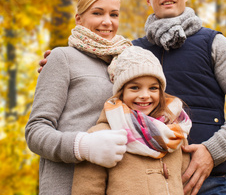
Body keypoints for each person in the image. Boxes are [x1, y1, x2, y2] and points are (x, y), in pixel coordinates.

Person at [38, 0, 226, 195]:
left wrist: (212, 151)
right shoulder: (130, 51)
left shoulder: (213, 43)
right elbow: (91, 59)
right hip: (148, 184)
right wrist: (59, 59)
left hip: (209, 181)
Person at [25, 0, 133, 194]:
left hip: (116, 185)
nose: (107, 21)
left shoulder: (127, 63)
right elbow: (35, 131)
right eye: (97, 13)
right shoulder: (62, 58)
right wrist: (83, 146)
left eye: (114, 14)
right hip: (66, 185)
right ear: (79, 19)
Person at [72, 46, 192, 194]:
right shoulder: (101, 135)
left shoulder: (175, 133)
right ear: (121, 92)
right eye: (135, 88)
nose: (144, 95)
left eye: (153, 88)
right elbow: (87, 190)